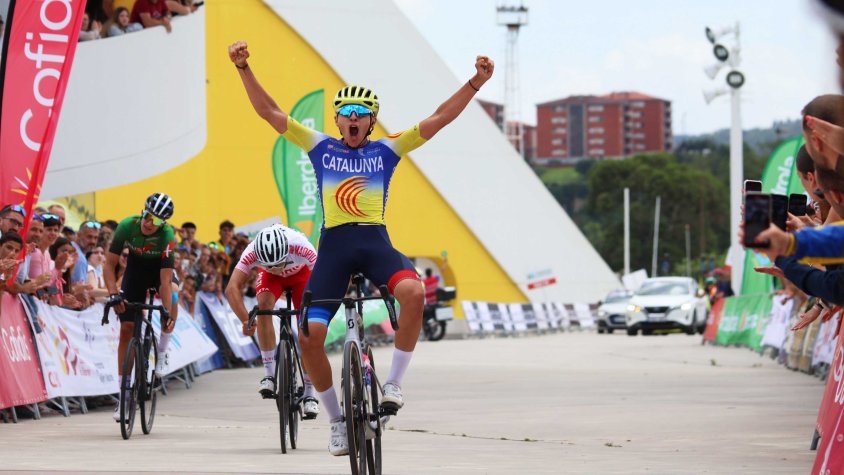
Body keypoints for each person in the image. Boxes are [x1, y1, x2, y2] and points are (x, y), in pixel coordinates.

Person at [229, 40, 494, 455]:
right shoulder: (320, 147)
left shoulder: (387, 149)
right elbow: (269, 113)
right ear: (336, 120)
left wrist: (475, 83)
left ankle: (393, 385)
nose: (353, 119)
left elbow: (440, 118)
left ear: (371, 121)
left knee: (415, 292)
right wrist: (244, 68)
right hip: (333, 248)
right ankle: (336, 420)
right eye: (346, 114)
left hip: (374, 242)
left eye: (361, 115)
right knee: (309, 336)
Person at [224, 224, 320, 418]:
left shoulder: (301, 245)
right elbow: (231, 288)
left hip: (302, 276)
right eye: (270, 265)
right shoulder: (251, 251)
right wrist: (245, 319)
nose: (276, 269)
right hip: (269, 281)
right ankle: (269, 373)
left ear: (286, 250)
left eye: (279, 264)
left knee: (308, 329)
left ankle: (310, 394)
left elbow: (322, 280)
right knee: (264, 307)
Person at [102, 193, 176, 423]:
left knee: (173, 294)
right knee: (126, 329)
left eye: (155, 221)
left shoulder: (167, 235)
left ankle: (163, 350)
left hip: (158, 272)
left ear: (163, 223)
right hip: (134, 271)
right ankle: (123, 395)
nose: (148, 223)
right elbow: (109, 265)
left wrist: (165, 310)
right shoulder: (127, 226)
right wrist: (114, 294)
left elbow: (164, 280)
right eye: (146, 216)